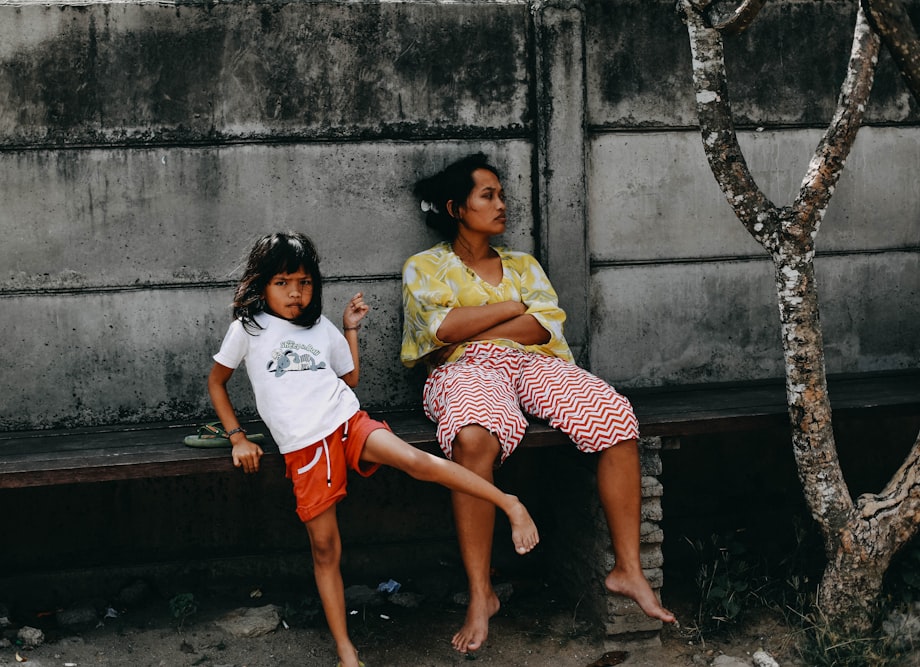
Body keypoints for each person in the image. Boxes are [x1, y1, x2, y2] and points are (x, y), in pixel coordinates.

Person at [206, 231, 540, 667]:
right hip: (305, 449)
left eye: (304, 283)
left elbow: (349, 380)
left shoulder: (320, 328)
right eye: (283, 282)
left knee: (417, 461)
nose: (295, 293)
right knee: (326, 550)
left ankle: (509, 503)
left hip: (347, 422)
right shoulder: (248, 329)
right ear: (263, 283)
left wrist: (348, 329)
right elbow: (217, 382)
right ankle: (347, 653)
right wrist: (237, 437)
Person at [401, 154, 676, 654]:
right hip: (465, 369)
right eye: (488, 195)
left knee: (614, 415)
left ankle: (627, 569)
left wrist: (476, 319)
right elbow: (439, 334)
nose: (502, 204)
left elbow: (542, 327)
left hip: (535, 363)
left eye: (501, 195)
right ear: (455, 207)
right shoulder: (425, 267)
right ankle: (482, 594)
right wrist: (509, 306)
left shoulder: (523, 265)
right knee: (473, 437)